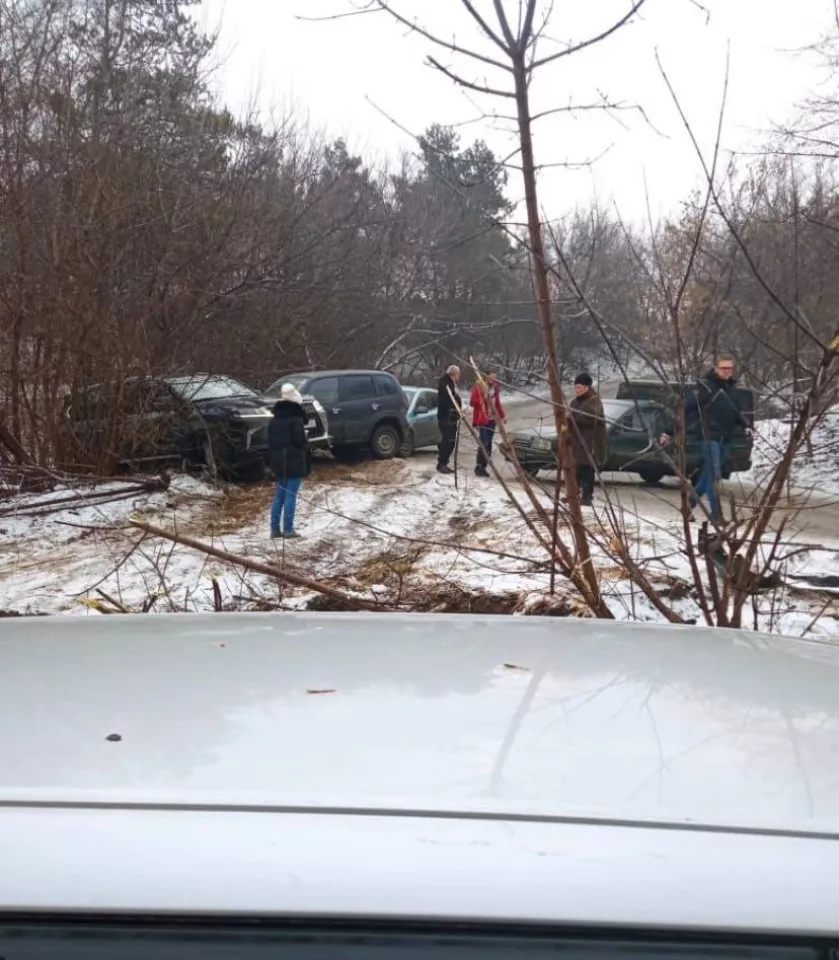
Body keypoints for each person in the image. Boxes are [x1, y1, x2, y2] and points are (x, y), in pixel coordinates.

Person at [660, 355, 752, 522]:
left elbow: (736, 412)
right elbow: (685, 410)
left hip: (726, 437)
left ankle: (689, 505)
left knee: (708, 476)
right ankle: (716, 514)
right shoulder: (704, 388)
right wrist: (669, 431)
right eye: (723, 368)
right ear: (715, 369)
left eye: (729, 368)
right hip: (709, 436)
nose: (727, 371)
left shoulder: (732, 390)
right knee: (715, 473)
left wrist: (746, 426)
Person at [267, 383, 310, 539]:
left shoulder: (273, 420)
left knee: (279, 496)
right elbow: (300, 441)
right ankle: (288, 529)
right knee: (291, 495)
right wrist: (306, 443)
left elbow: (270, 443)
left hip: (278, 462)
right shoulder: (295, 420)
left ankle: (274, 528)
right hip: (293, 461)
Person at [569, 372, 607, 507]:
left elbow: (591, 417)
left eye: (579, 387)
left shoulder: (594, 400)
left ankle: (586, 497)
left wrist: (572, 415)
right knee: (575, 469)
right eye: (575, 387)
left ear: (587, 387)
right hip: (577, 442)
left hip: (590, 442)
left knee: (587, 469)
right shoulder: (575, 401)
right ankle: (573, 495)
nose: (576, 390)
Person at [469, 370, 506, 477]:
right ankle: (479, 466)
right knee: (483, 443)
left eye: (495, 378)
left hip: (492, 420)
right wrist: (483, 398)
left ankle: (483, 467)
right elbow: (472, 402)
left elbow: (497, 404)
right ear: (486, 377)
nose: (493, 380)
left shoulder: (495, 388)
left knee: (489, 444)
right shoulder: (479, 386)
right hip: (482, 419)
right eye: (491, 377)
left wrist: (502, 416)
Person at [436, 364, 462, 475]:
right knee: (448, 441)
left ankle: (444, 462)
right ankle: (442, 463)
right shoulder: (445, 384)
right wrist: (454, 410)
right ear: (453, 374)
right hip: (446, 416)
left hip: (452, 416)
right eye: (458, 374)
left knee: (451, 441)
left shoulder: (451, 384)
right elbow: (449, 399)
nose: (459, 376)